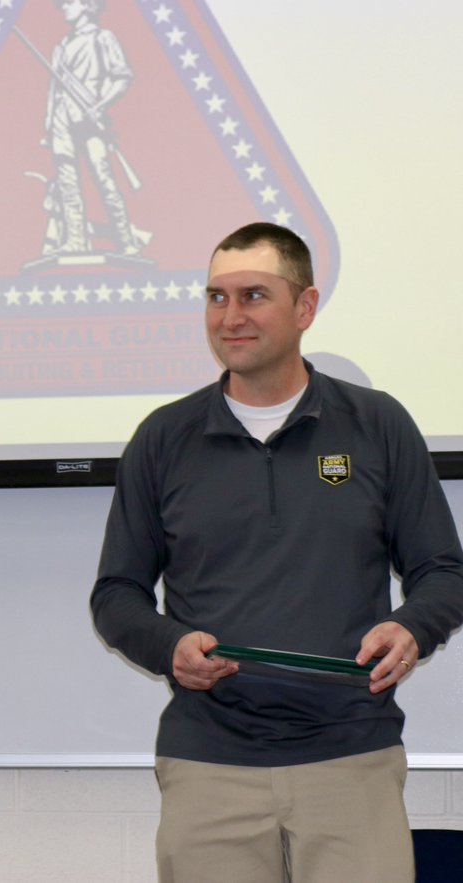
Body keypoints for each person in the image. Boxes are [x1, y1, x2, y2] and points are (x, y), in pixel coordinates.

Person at [90, 221, 463, 882]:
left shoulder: (378, 424)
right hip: (208, 762)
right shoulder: (164, 437)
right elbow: (116, 594)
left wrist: (413, 626)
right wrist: (166, 645)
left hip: (352, 756)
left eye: (253, 295)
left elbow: (443, 571)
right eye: (215, 297)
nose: (229, 316)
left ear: (305, 307)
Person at [41, 0, 139, 257]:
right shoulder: (61, 46)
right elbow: (55, 88)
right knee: (67, 182)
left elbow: (122, 77)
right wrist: (50, 122)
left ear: (87, 5)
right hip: (62, 120)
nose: (63, 7)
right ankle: (76, 241)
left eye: (69, 3)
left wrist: (101, 106)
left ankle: (126, 241)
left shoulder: (102, 38)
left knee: (103, 177)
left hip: (89, 118)